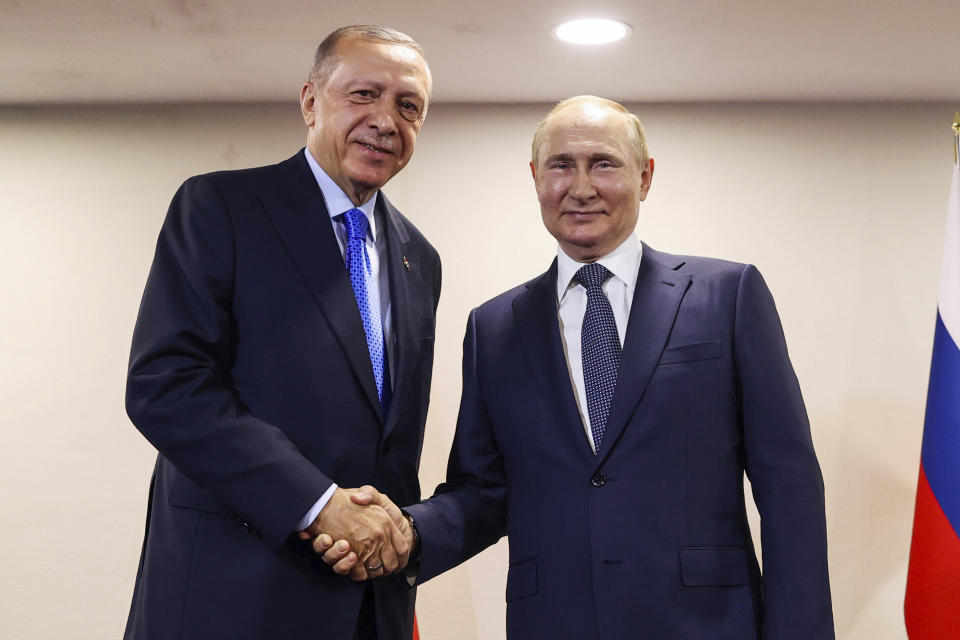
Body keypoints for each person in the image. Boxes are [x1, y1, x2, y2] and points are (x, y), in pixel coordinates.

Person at [321, 96, 835, 639]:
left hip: (706, 625)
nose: (581, 186)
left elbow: (790, 487)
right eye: (561, 164)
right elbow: (484, 491)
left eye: (604, 163)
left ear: (645, 176)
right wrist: (408, 531)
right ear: (536, 177)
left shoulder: (727, 296)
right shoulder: (494, 328)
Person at [123, 25, 438, 640]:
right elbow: (167, 386)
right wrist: (319, 503)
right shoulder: (220, 207)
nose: (385, 120)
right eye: (364, 94)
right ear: (310, 101)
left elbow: (389, 441)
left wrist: (393, 535)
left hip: (366, 603)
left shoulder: (419, 258)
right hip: (231, 593)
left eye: (408, 105)